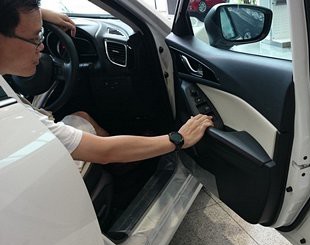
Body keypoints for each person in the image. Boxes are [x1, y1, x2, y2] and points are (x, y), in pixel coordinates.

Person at [0, 0, 213, 164]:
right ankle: (116, 174)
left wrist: (41, 15)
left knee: (81, 116)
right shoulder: (20, 120)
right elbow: (104, 151)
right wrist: (178, 138)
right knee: (97, 140)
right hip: (43, 167)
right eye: (36, 37)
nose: (43, 47)